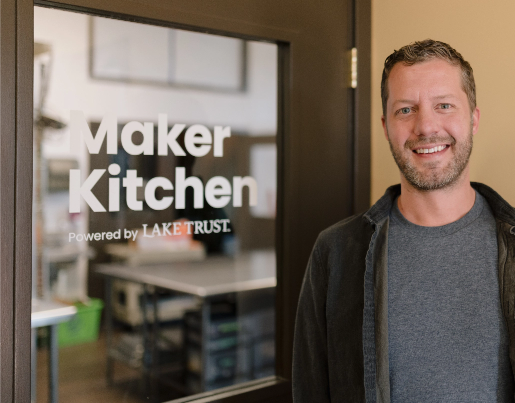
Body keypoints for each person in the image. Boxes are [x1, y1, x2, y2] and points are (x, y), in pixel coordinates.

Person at [292, 39, 515, 402]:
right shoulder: (335, 253)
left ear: (473, 119)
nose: (426, 127)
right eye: (405, 110)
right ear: (385, 126)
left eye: (444, 105)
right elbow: (310, 390)